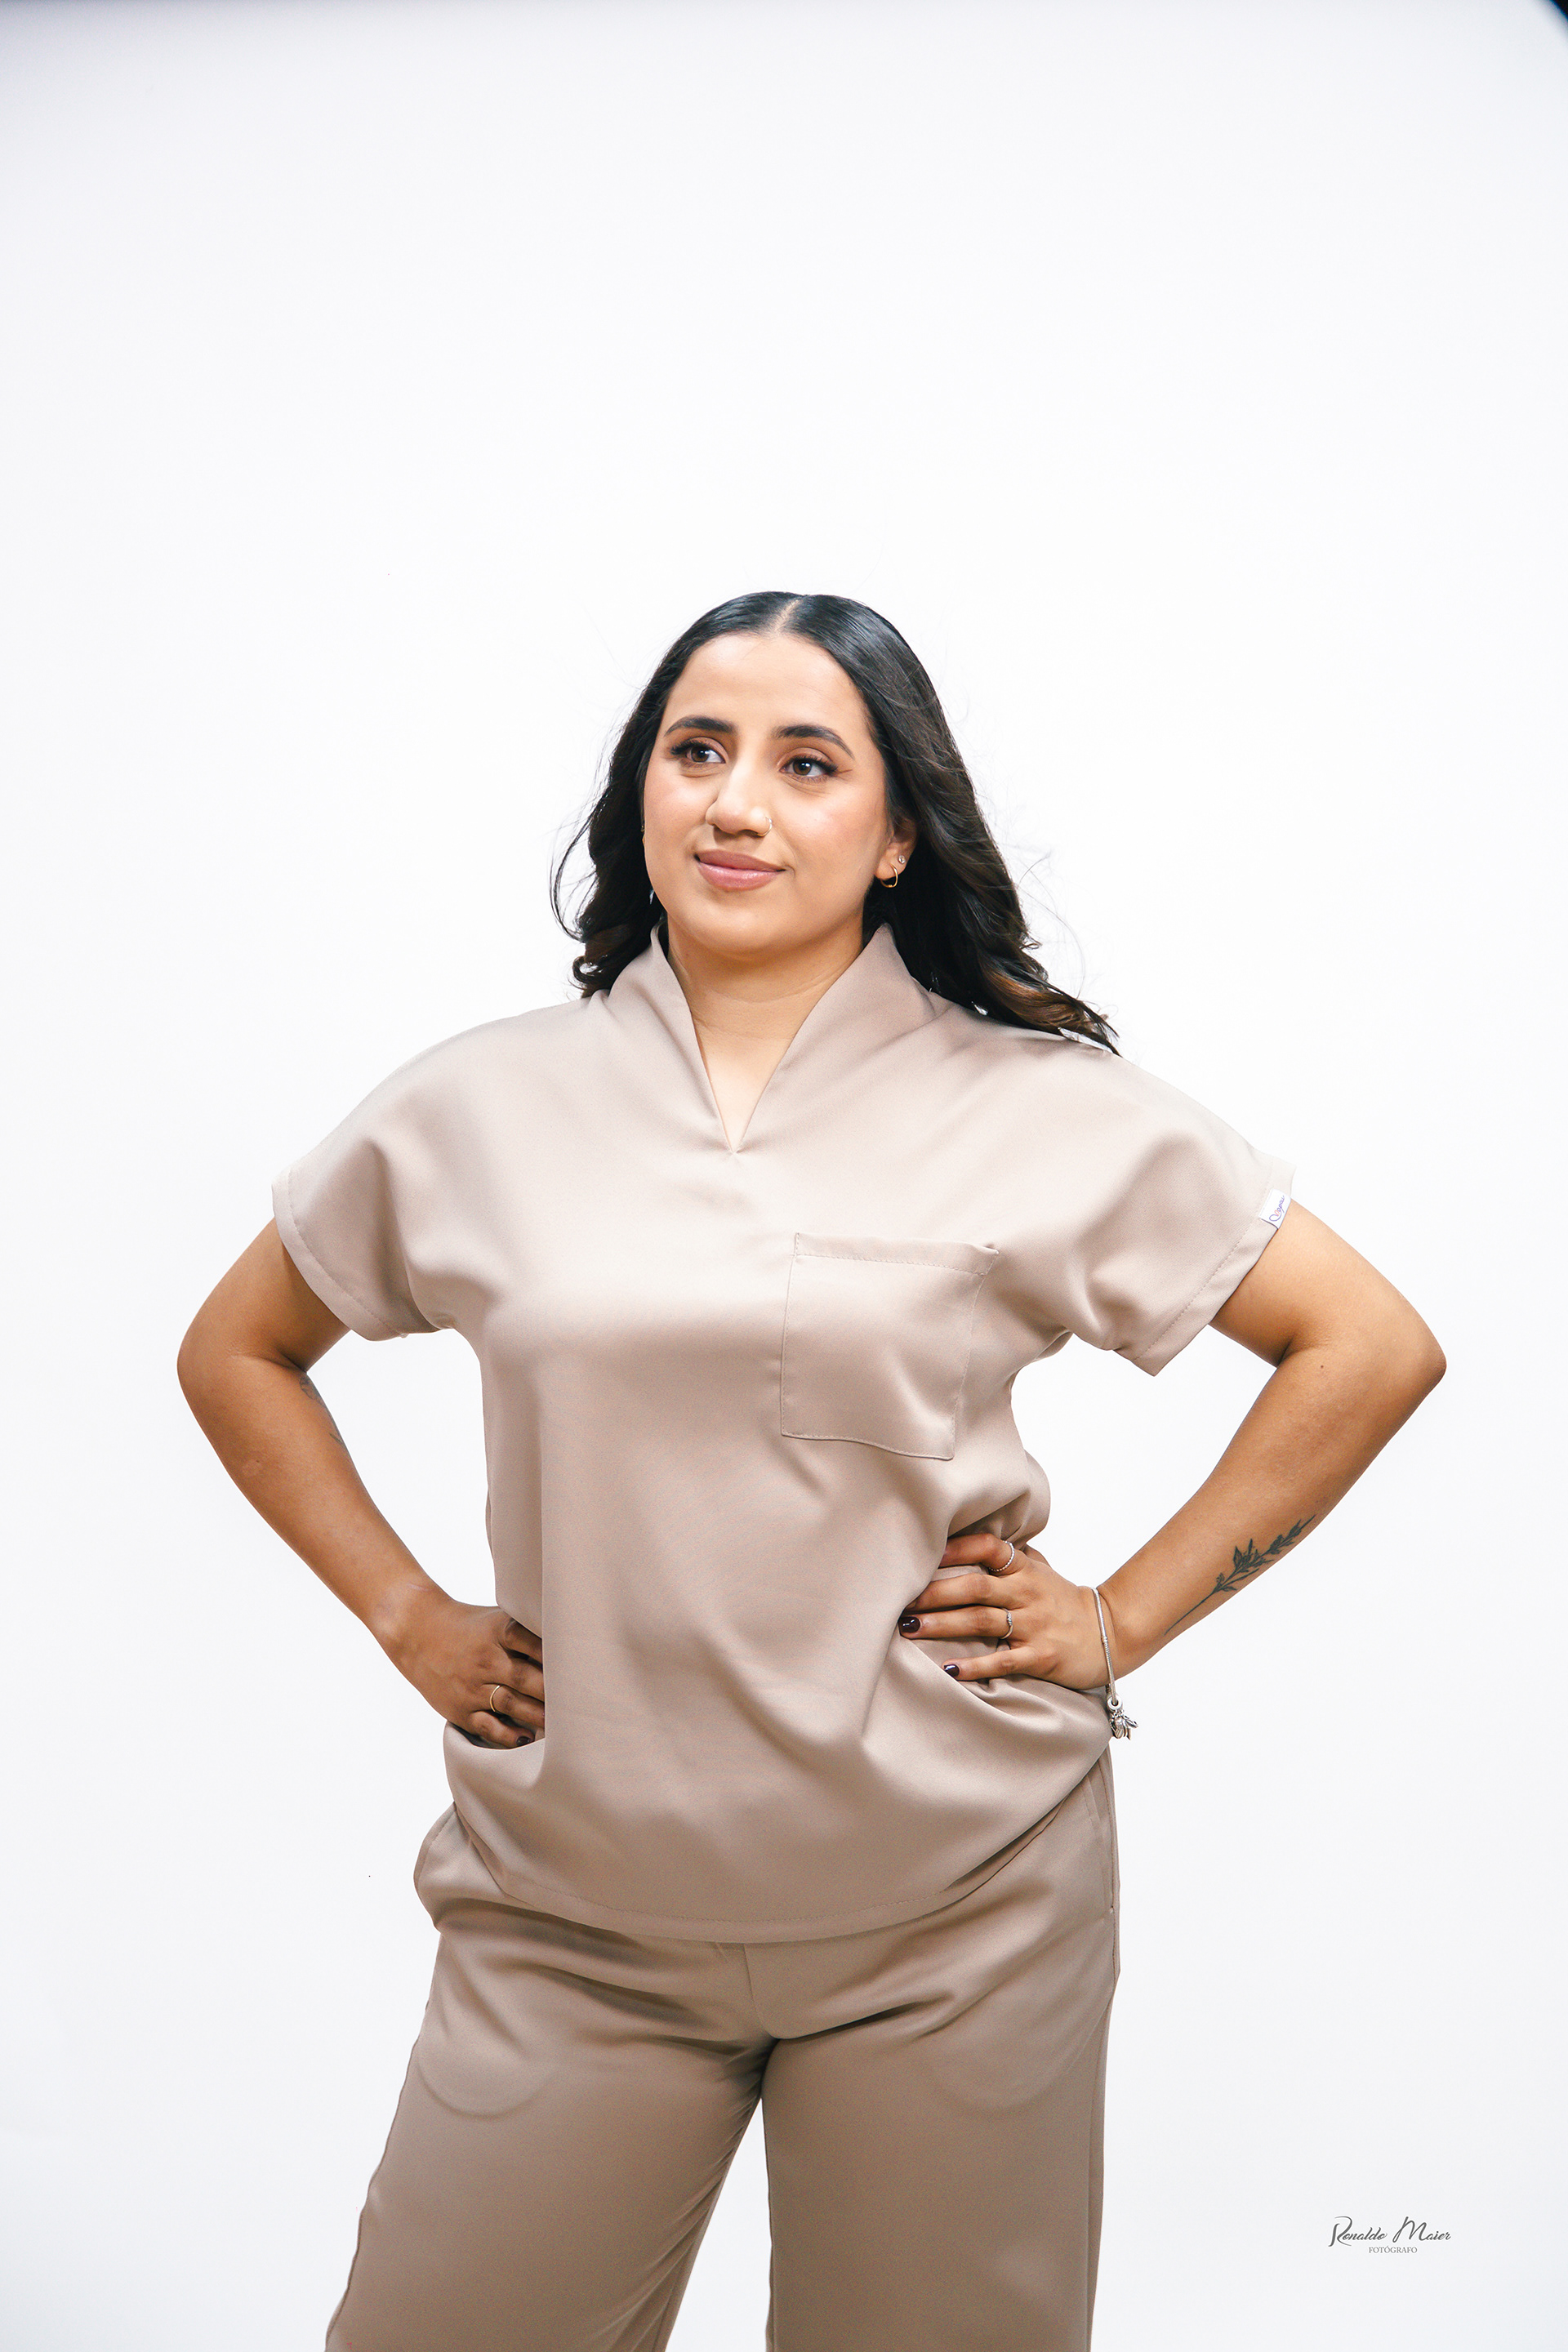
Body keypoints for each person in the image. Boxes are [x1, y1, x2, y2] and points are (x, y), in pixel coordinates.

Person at [177, 590, 1445, 2352]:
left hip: (959, 1913)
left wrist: (1120, 1621)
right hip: (573, 1913)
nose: (736, 803)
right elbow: (237, 1349)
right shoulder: (474, 1108)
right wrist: (408, 1617)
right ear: (640, 793)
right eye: (695, 751)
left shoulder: (1039, 1108)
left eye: (806, 763)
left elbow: (1369, 1345)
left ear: (899, 829)